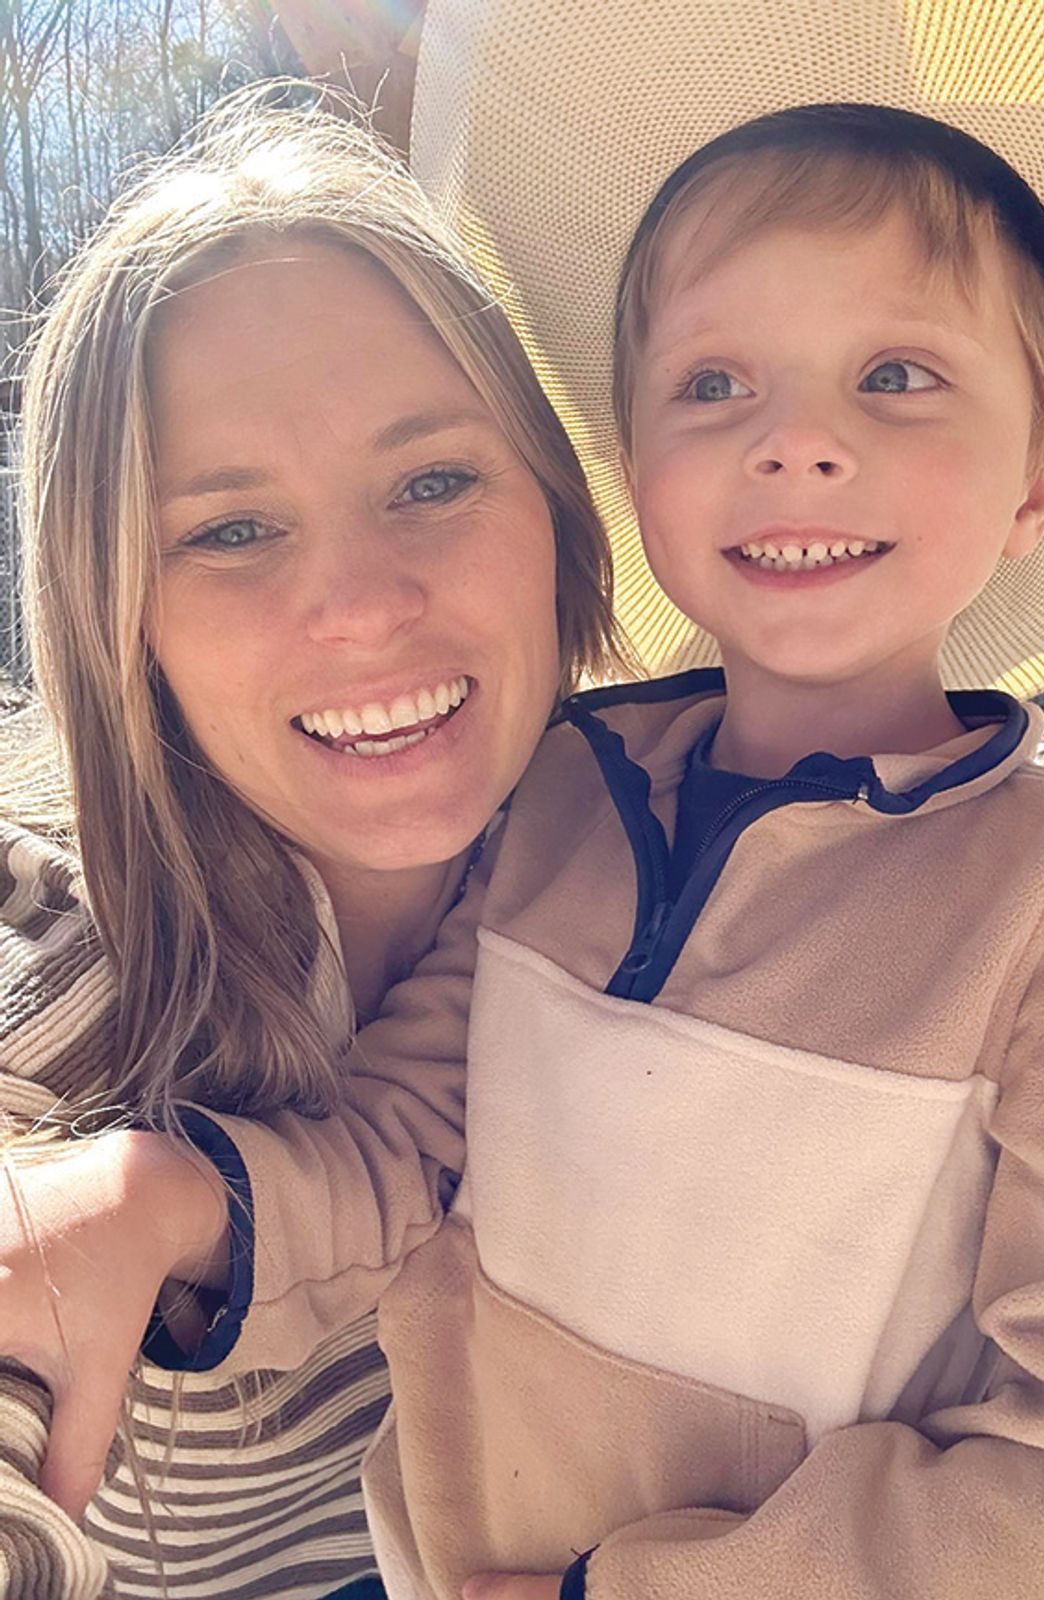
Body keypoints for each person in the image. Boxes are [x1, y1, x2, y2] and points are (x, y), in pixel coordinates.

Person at [10, 7, 1044, 1600]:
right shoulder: (568, 802)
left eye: (897, 376)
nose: (800, 442)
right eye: (716, 382)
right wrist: (170, 1205)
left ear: (1040, 476)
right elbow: (410, 1150)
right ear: (634, 464)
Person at [0, 86, 617, 1600]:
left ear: (557, 517)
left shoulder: (686, 862)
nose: (361, 607)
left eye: (434, 482)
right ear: (113, 608)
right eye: (230, 530)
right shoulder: (45, 972)